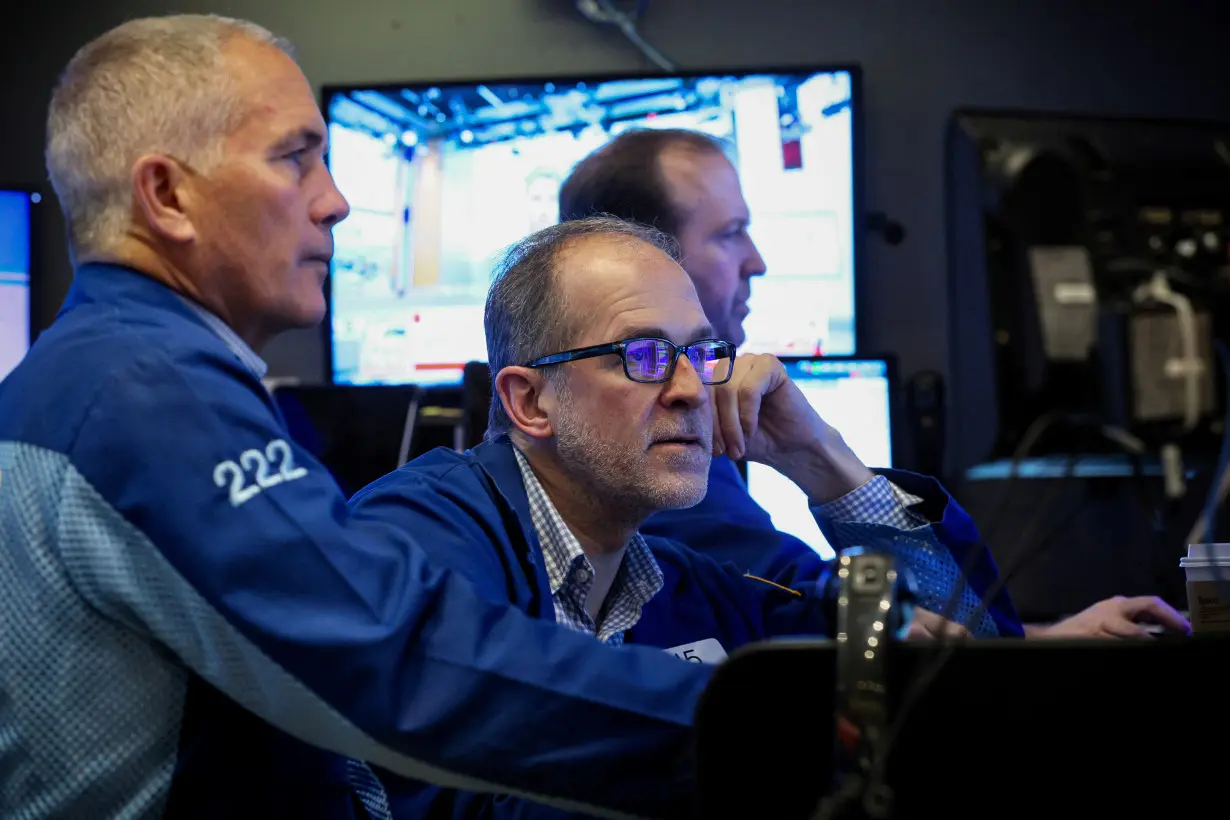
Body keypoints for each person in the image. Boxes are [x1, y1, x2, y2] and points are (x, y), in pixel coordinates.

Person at [0, 16, 735, 820]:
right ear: (168, 195)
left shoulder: (109, 367)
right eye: (294, 158)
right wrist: (763, 724)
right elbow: (400, 660)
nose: (337, 203)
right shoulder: (144, 388)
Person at [354, 216, 1005, 817]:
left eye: (701, 353)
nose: (694, 389)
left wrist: (821, 458)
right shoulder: (417, 538)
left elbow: (984, 675)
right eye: (643, 357)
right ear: (529, 401)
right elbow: (468, 799)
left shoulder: (680, 579)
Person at [558, 128, 1190, 639]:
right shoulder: (642, 450)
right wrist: (821, 458)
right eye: (729, 233)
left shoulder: (678, 435)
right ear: (643, 258)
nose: (758, 260)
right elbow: (855, 626)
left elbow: (869, 627)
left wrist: (1038, 641)